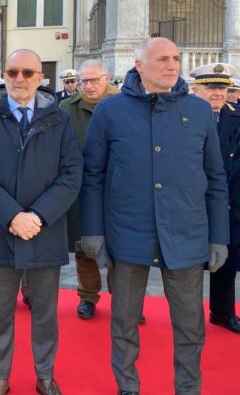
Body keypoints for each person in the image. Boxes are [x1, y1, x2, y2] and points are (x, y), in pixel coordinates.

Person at [81, 37, 229, 395]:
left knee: (190, 326)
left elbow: (215, 178)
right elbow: (93, 176)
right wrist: (92, 232)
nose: (172, 65)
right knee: (125, 322)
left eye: (176, 58)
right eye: (162, 59)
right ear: (140, 66)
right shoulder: (109, 112)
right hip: (128, 234)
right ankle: (127, 387)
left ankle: (188, 388)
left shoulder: (198, 111)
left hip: (187, 235)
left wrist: (218, 236)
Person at [0, 49, 82, 395]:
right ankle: (1, 375)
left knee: (45, 313)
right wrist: (13, 216)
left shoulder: (58, 119)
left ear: (41, 77)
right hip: (3, 230)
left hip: (45, 230)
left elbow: (72, 173)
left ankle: (45, 375)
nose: (20, 79)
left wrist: (38, 216)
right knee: (1, 313)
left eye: (28, 73)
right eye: (13, 72)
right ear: (4, 75)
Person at [58, 59, 118, 321]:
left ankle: (125, 301)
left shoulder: (124, 105)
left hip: (117, 189)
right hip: (82, 189)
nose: (89, 86)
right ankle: (88, 296)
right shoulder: (67, 108)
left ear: (107, 78)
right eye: (84, 81)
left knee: (120, 248)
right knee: (84, 248)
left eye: (94, 80)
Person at [188, 63, 240, 334]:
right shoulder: (182, 117)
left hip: (228, 198)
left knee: (226, 258)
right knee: (189, 263)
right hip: (192, 198)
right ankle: (188, 316)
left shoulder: (236, 117)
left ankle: (222, 312)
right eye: (211, 88)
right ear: (195, 90)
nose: (218, 93)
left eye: (222, 87)